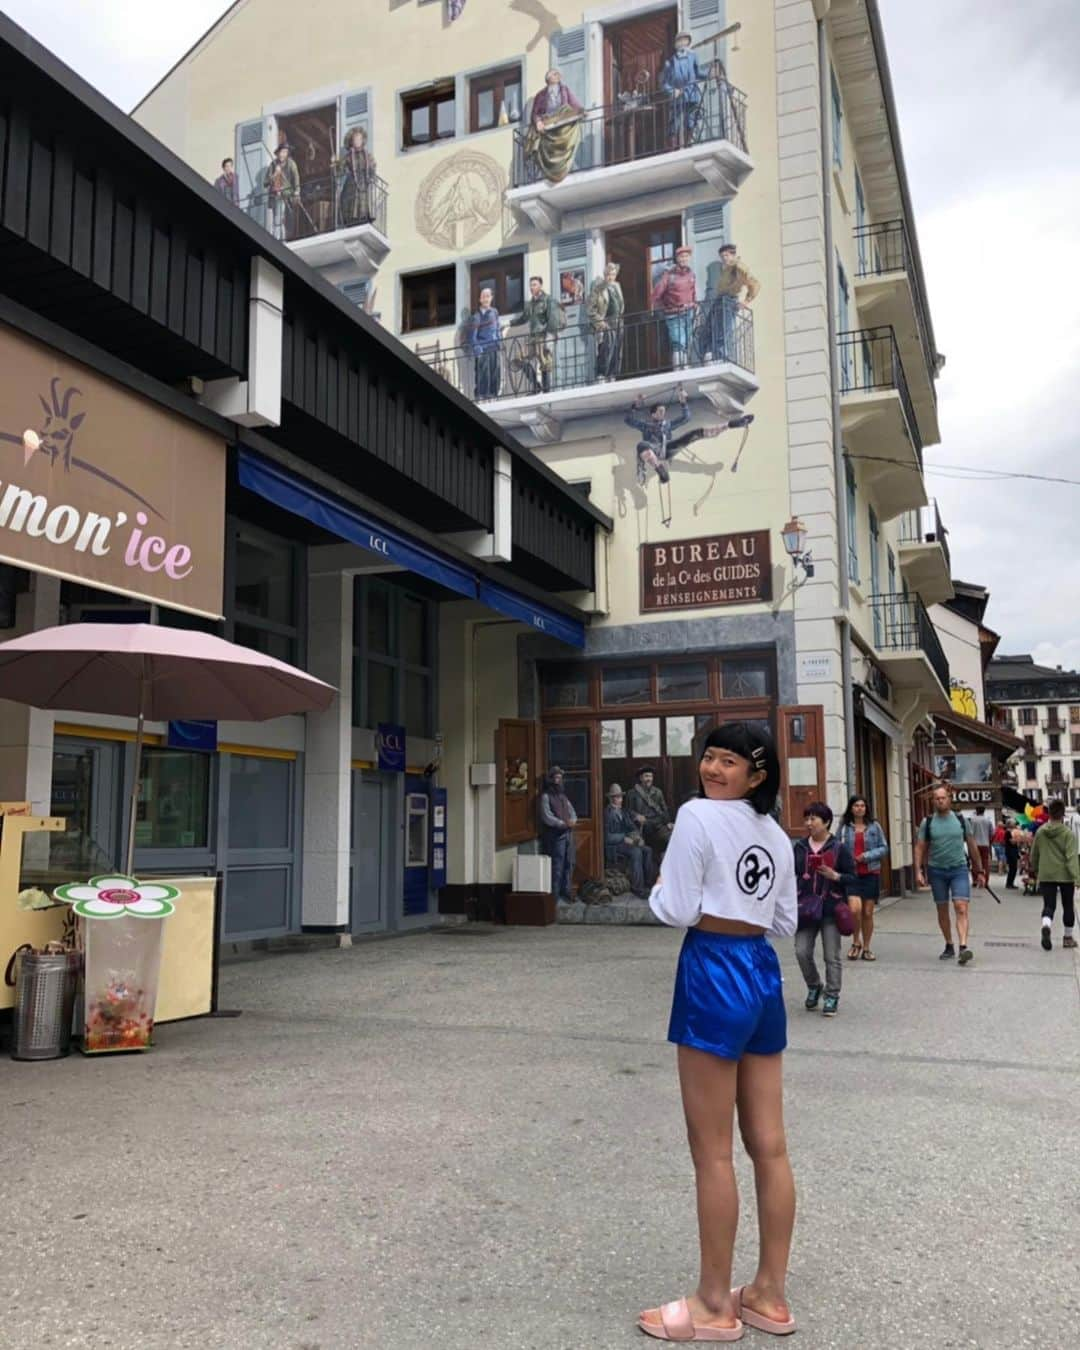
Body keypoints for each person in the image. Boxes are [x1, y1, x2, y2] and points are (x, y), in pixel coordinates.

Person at [641, 722, 797, 1342]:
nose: (713, 768)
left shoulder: (696, 816)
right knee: (771, 1145)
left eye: (729, 761)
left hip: (712, 968)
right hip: (762, 970)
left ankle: (712, 1303)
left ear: (756, 775)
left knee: (712, 1151)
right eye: (709, 756)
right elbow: (783, 919)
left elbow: (676, 908)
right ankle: (769, 1295)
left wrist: (659, 891)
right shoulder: (777, 836)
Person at [793, 802, 856, 1016]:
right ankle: (814, 985)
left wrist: (835, 876)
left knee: (831, 955)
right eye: (807, 819)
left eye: (813, 819)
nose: (808, 823)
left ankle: (832, 995)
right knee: (801, 951)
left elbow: (852, 877)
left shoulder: (839, 847)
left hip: (831, 907)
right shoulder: (800, 847)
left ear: (826, 822)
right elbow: (789, 874)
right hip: (805, 908)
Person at [914, 783, 986, 964]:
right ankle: (949, 943)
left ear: (949, 799)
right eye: (936, 799)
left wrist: (979, 870)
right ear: (933, 801)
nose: (940, 801)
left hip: (958, 869)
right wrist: (918, 871)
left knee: (961, 907)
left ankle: (963, 946)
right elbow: (920, 847)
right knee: (942, 909)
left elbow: (972, 845)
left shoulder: (961, 821)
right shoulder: (927, 822)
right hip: (936, 870)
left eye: (943, 798)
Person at [625, 389, 752, 487]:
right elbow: (628, 420)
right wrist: (635, 404)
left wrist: (683, 402)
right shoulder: (645, 425)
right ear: (653, 414)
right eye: (659, 411)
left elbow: (686, 418)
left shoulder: (667, 425)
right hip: (653, 451)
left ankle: (731, 424)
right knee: (641, 445)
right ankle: (660, 469)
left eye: (663, 411)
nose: (663, 413)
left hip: (668, 448)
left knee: (693, 434)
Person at [837, 794, 888, 961]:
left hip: (870, 873)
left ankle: (866, 947)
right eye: (856, 805)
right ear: (851, 808)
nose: (859, 808)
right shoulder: (844, 827)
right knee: (854, 910)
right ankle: (855, 942)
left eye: (862, 806)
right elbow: (836, 846)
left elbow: (884, 848)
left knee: (867, 912)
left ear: (866, 809)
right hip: (851, 874)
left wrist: (866, 856)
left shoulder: (874, 826)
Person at [1030, 799, 1080, 950]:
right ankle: (1068, 938)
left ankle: (1046, 925)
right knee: (1068, 905)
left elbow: (1034, 854)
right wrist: (1077, 877)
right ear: (1063, 814)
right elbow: (1071, 857)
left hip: (1047, 874)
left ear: (1049, 813)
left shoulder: (1040, 832)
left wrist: (1036, 870)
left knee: (1049, 905)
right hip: (1065, 875)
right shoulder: (1068, 834)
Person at [524, 68, 584, 184]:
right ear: (548, 78)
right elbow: (535, 113)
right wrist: (538, 122)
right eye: (554, 74)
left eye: (558, 75)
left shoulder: (564, 90)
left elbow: (574, 103)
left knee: (567, 110)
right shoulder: (541, 95)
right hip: (548, 123)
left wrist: (581, 111)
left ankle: (566, 163)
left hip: (562, 121)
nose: (558, 76)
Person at [703, 243, 759, 363]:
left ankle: (721, 357)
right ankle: (716, 356)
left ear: (733, 255)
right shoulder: (727, 268)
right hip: (720, 300)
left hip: (729, 301)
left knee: (724, 330)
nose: (724, 258)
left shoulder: (739, 267)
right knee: (715, 329)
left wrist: (745, 301)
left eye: (726, 255)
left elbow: (755, 284)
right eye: (722, 256)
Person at [508, 276, 562, 393]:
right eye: (531, 285)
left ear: (540, 285)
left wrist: (549, 337)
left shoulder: (548, 300)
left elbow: (553, 319)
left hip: (543, 335)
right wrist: (509, 323)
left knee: (544, 362)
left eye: (534, 285)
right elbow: (524, 318)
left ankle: (546, 390)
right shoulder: (530, 303)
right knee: (520, 357)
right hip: (533, 337)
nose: (532, 287)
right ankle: (536, 386)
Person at [603, 784, 655, 897]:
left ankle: (649, 884)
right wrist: (624, 838)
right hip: (614, 846)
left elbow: (631, 827)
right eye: (617, 797)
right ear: (611, 798)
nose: (620, 800)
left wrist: (638, 837)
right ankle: (638, 888)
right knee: (636, 852)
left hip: (626, 843)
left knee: (647, 850)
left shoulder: (623, 812)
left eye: (621, 797)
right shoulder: (607, 814)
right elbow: (607, 837)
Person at [651, 246, 698, 370]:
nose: (684, 259)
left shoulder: (691, 274)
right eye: (681, 257)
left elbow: (693, 293)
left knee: (688, 341)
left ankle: (685, 366)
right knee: (678, 341)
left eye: (686, 256)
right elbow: (656, 295)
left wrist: (694, 304)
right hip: (673, 313)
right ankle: (678, 368)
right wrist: (664, 309)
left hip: (688, 312)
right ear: (677, 259)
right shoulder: (669, 275)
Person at [660, 31, 708, 147]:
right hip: (677, 96)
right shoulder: (670, 62)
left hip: (691, 93)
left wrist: (710, 74)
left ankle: (689, 144)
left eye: (685, 40)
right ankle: (673, 148)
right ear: (676, 44)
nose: (682, 43)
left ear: (688, 42)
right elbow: (664, 83)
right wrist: (673, 91)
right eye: (680, 41)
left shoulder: (693, 56)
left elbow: (698, 72)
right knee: (674, 123)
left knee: (691, 121)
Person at [538, 766, 576, 903]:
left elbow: (572, 812)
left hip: (568, 835)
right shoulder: (545, 797)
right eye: (555, 777)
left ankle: (566, 891)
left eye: (560, 778)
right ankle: (554, 897)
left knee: (569, 863)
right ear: (551, 779)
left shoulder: (563, 796)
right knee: (557, 866)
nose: (558, 780)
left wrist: (573, 820)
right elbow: (547, 817)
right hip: (555, 837)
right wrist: (562, 823)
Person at [587, 261, 625, 382]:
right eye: (609, 274)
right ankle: (601, 375)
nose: (611, 277)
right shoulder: (598, 288)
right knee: (605, 349)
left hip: (618, 321)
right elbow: (590, 309)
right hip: (605, 322)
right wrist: (599, 322)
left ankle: (612, 375)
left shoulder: (617, 286)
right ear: (605, 274)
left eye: (613, 274)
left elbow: (621, 304)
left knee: (617, 350)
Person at [626, 765, 674, 856]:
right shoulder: (632, 793)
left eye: (651, 776)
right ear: (640, 778)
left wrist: (668, 822)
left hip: (657, 824)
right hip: (642, 826)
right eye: (646, 776)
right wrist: (636, 816)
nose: (649, 779)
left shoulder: (658, 792)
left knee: (671, 838)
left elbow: (664, 809)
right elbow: (628, 811)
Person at [467, 287, 503, 400]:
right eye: (483, 296)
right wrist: (478, 349)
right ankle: (482, 395)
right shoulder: (476, 317)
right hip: (483, 348)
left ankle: (494, 394)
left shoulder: (494, 312)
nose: (486, 299)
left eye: (488, 296)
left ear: (491, 298)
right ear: (480, 300)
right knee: (484, 373)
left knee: (496, 371)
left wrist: (499, 340)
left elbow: (497, 328)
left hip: (494, 346)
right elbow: (472, 337)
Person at [337, 126, 377, 228]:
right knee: (352, 202)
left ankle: (364, 217)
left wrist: (372, 177)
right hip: (352, 183)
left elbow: (372, 167)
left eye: (359, 139)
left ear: (362, 140)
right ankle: (351, 218)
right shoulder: (348, 156)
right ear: (352, 141)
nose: (357, 141)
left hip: (364, 182)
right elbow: (340, 171)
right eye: (355, 139)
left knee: (363, 202)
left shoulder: (368, 156)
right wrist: (336, 164)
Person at [263, 143, 300, 241]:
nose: (282, 154)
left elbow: (296, 178)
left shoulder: (291, 164)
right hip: (276, 196)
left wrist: (297, 191)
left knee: (288, 218)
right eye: (281, 152)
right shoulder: (273, 164)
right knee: (278, 218)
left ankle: (287, 238)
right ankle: (279, 239)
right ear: (278, 153)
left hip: (288, 195)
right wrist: (275, 174)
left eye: (285, 152)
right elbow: (265, 183)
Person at [966, 806, 994, 884]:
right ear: (984, 811)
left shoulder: (972, 820)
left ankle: (975, 880)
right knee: (985, 863)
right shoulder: (988, 821)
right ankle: (985, 880)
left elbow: (968, 833)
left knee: (974, 862)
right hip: (985, 844)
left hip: (974, 844)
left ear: (976, 811)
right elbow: (991, 833)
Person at [1004, 817, 1021, 889]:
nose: (1014, 824)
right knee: (1013, 867)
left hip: (1013, 850)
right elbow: (1012, 842)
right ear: (1010, 824)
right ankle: (1009, 883)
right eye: (1013, 823)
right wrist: (1018, 839)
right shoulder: (1008, 832)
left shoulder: (1012, 831)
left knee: (1014, 868)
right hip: (1010, 850)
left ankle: (1011, 883)